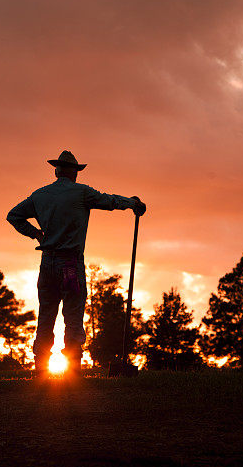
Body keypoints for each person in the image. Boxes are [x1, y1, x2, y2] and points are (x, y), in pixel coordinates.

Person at [7, 150, 146, 377]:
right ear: (74, 172)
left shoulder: (39, 195)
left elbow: (13, 215)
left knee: (46, 316)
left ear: (56, 170)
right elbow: (109, 201)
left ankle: (41, 369)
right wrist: (132, 203)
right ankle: (72, 370)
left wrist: (36, 234)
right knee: (72, 316)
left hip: (47, 264)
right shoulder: (81, 193)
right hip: (70, 264)